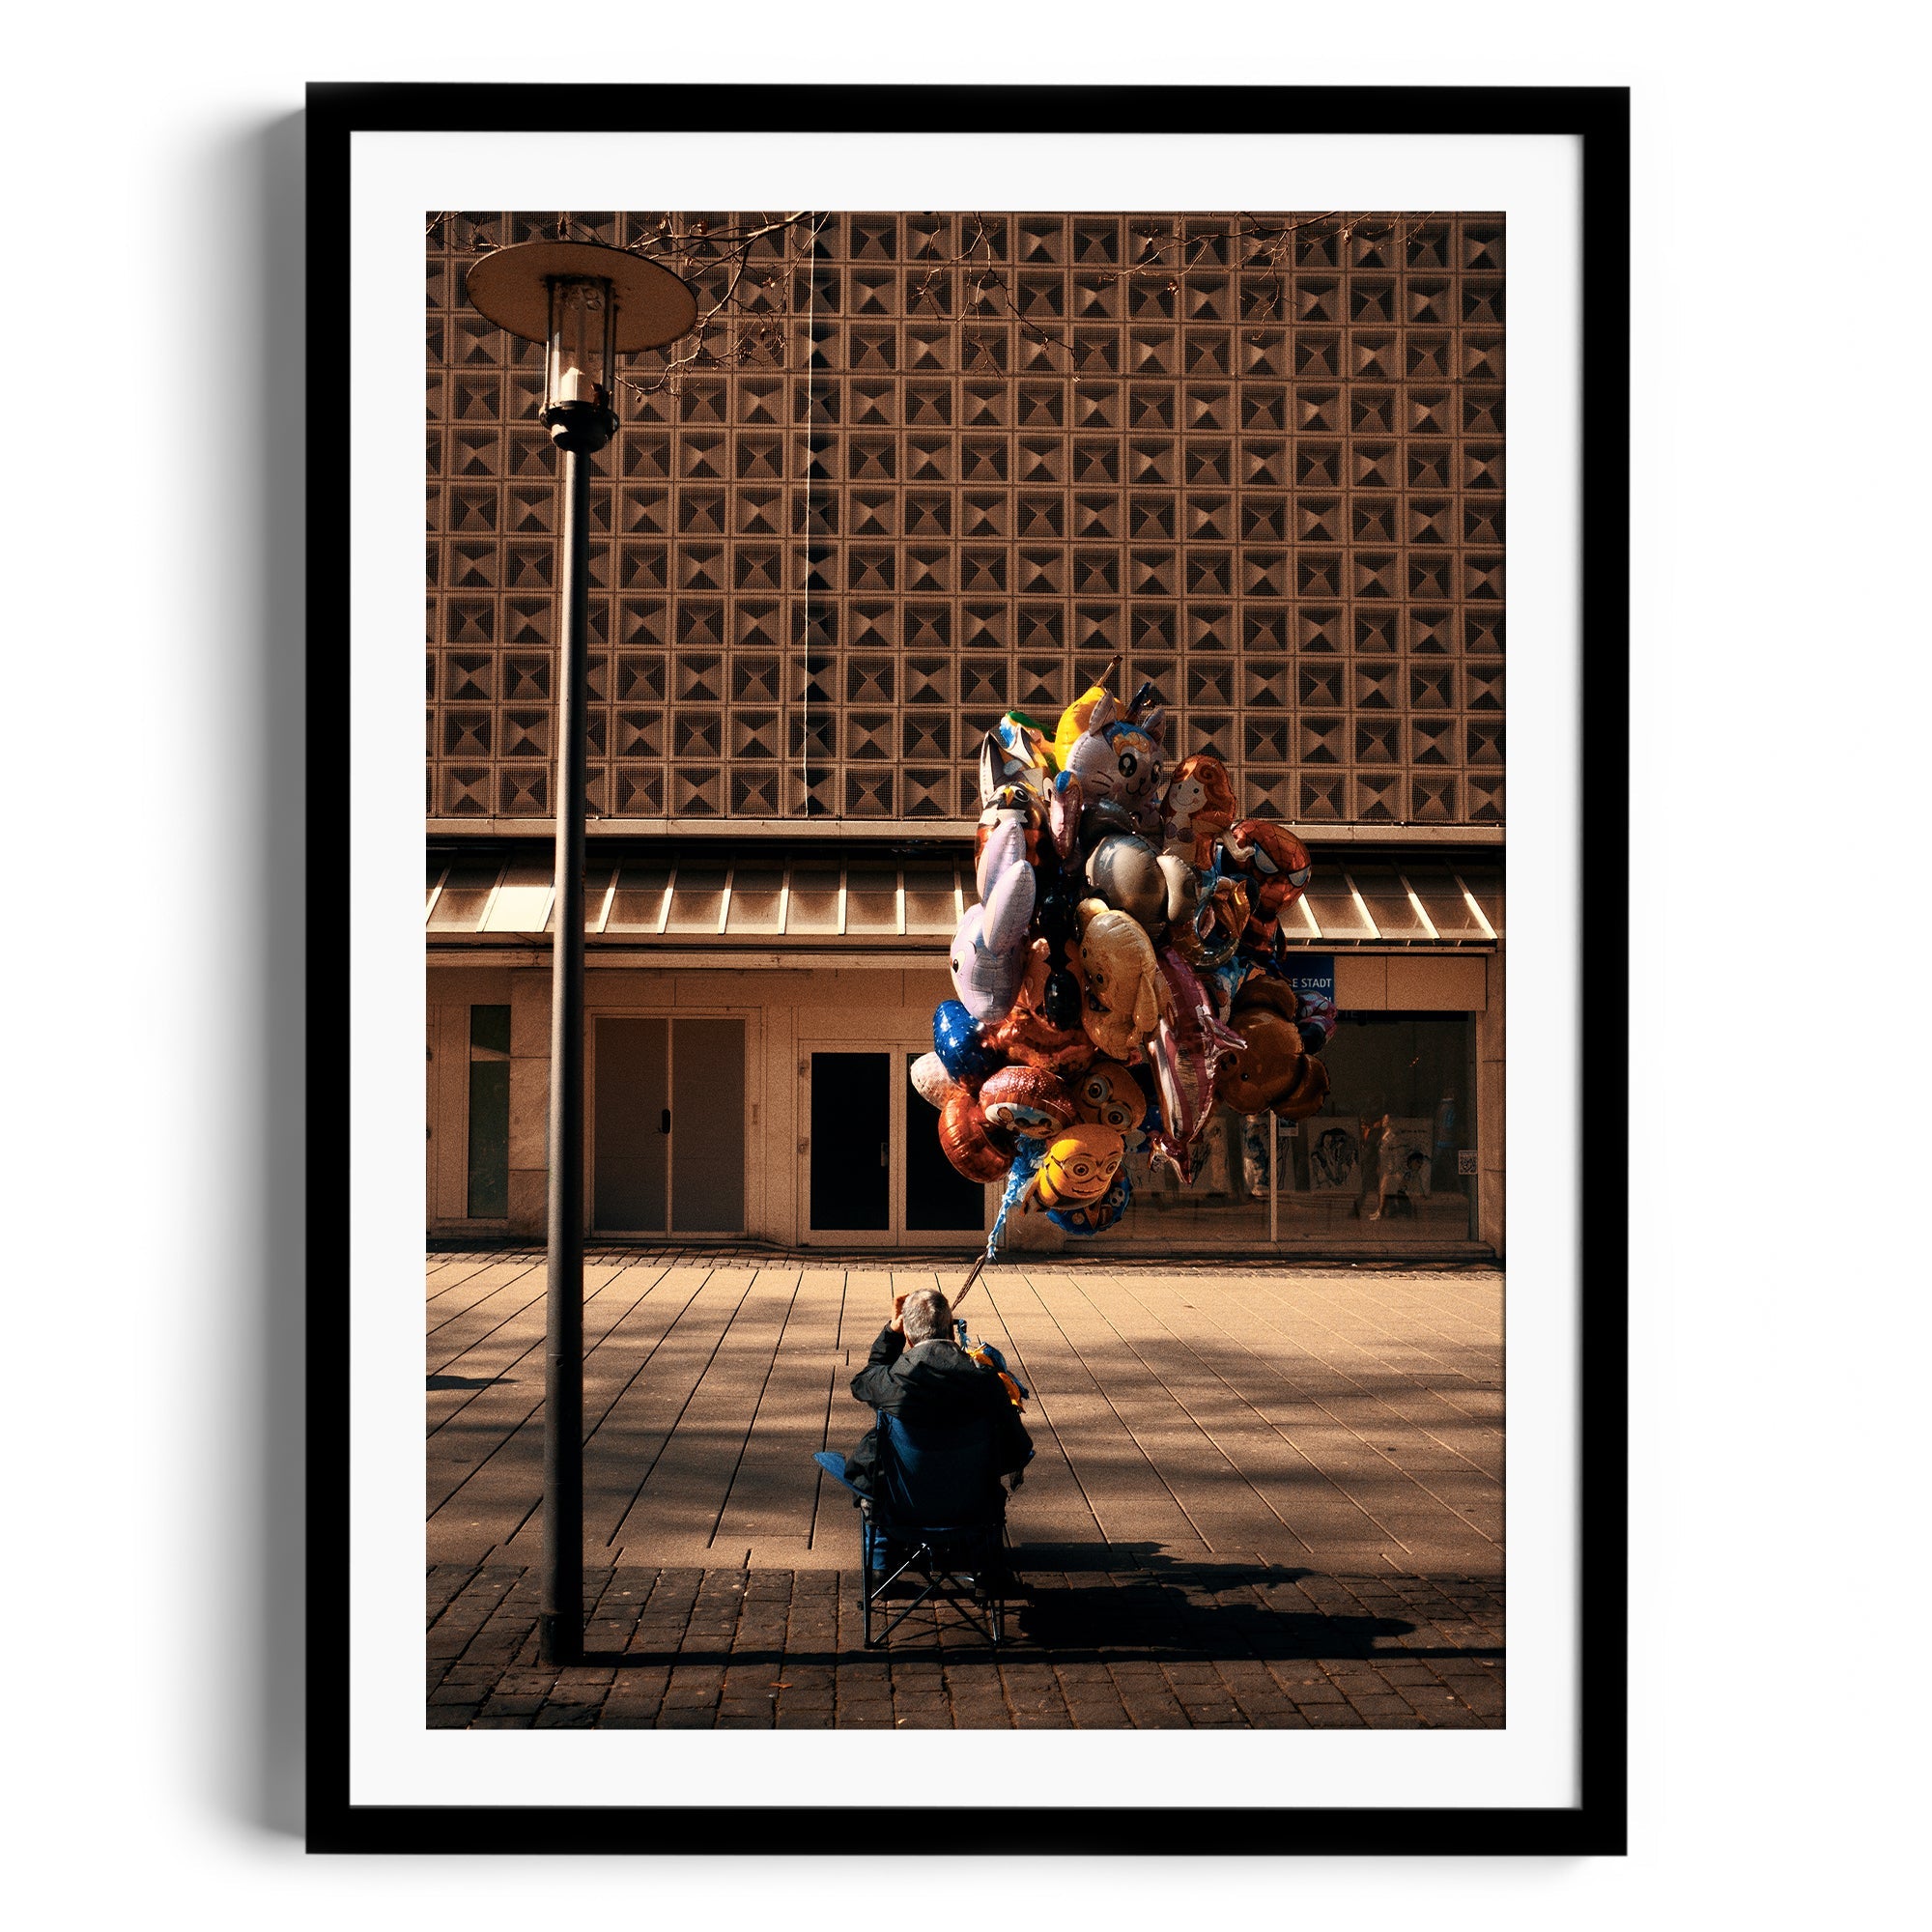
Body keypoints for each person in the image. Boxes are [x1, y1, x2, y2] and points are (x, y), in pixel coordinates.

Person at [837, 1287, 1034, 1501]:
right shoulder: (987, 1383)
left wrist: (892, 1333)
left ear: (908, 1338)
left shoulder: (892, 1382)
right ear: (951, 1332)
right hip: (972, 1508)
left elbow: (863, 1382)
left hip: (902, 1507)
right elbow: (1018, 1450)